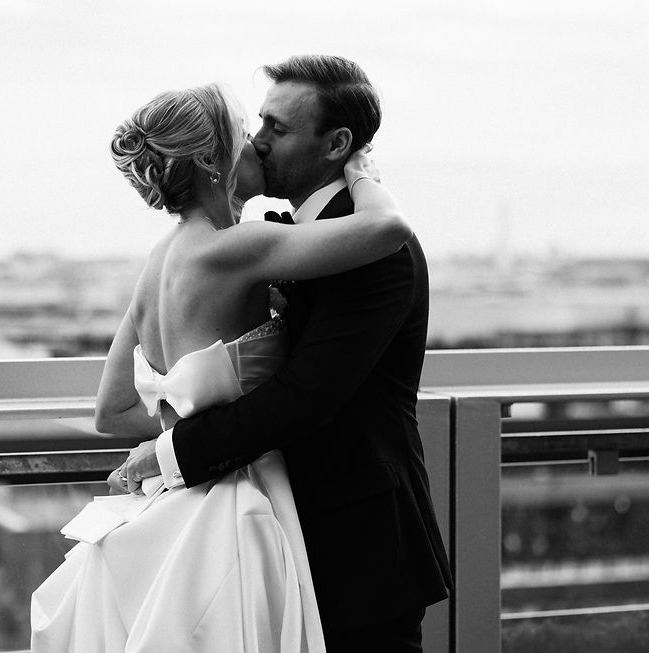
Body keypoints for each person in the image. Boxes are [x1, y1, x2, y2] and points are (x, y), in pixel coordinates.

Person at [30, 78, 413, 652]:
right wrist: (363, 176)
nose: (256, 143)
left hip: (172, 508)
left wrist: (183, 432)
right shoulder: (239, 248)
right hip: (237, 509)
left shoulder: (158, 260)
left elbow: (112, 410)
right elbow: (389, 231)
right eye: (243, 131)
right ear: (211, 159)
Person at [116, 55, 452, 652]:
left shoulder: (369, 250)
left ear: (337, 144)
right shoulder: (276, 242)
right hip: (267, 533)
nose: (260, 143)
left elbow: (305, 398)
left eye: (278, 128)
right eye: (256, 125)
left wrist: (170, 452)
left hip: (357, 547)